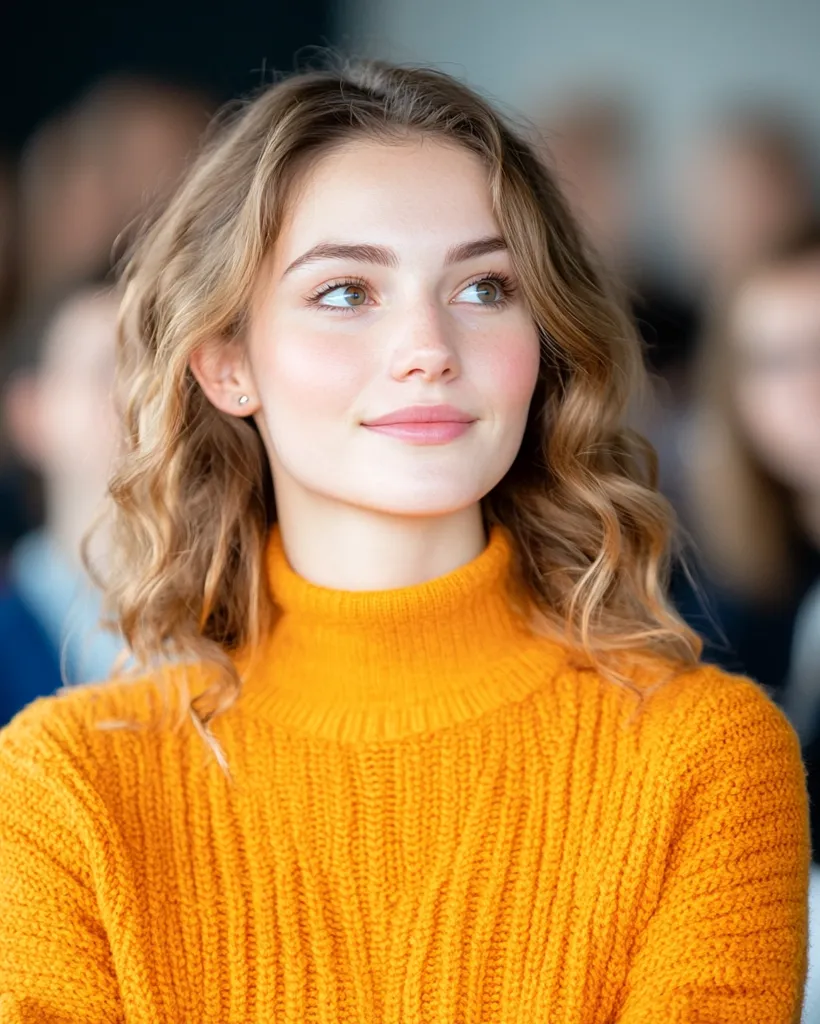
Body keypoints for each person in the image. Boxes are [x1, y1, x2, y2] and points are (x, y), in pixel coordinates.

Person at [0, 60, 808, 1022]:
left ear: (542, 342)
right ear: (226, 363)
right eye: (345, 292)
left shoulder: (706, 759)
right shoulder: (67, 789)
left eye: (484, 288)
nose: (427, 345)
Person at [0, 278, 123, 722]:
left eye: (159, 365)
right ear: (29, 414)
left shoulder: (245, 627)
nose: (141, 393)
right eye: (108, 369)